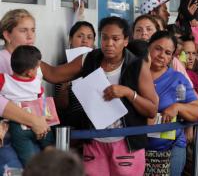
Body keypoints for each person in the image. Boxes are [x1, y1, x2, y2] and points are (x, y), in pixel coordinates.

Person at [40, 16, 159, 175]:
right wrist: (26, 55)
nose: (109, 43)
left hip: (126, 144)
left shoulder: (137, 66)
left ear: (125, 41)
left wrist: (129, 93)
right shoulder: (89, 58)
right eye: (105, 38)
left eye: (115, 39)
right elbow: (54, 74)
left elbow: (152, 110)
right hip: (94, 143)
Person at [145, 31, 198, 176]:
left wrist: (177, 107)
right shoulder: (134, 73)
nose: (161, 55)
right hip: (137, 148)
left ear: (172, 56)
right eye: (158, 49)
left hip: (171, 149)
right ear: (148, 48)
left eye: (167, 52)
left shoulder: (177, 79)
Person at [0, 9, 50, 174]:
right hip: (6, 135)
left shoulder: (34, 63)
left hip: (35, 130)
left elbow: (39, 97)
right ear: (7, 35)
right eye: (23, 30)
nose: (30, 36)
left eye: (33, 30)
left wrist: (43, 122)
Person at [0, 45, 54, 166]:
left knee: (27, 156)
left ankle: (31, 167)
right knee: (49, 138)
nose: (38, 70)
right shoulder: (36, 84)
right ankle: (51, 154)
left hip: (17, 127)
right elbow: (42, 100)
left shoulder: (4, 80)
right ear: (30, 73)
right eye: (37, 67)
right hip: (39, 121)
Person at [54, 21, 96, 129]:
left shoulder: (101, 63)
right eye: (80, 36)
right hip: (75, 119)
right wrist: (64, 88)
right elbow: (61, 106)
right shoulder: (63, 67)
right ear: (70, 40)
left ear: (94, 42)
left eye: (89, 37)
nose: (85, 41)